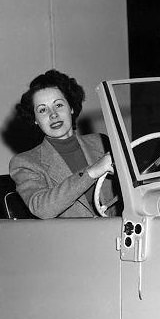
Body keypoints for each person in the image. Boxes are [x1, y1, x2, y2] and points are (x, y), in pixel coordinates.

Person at [10, 70, 115, 218]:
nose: (53, 114)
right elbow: (42, 209)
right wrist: (92, 172)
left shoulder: (101, 142)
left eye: (58, 105)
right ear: (35, 119)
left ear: (71, 108)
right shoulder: (25, 162)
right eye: (42, 110)